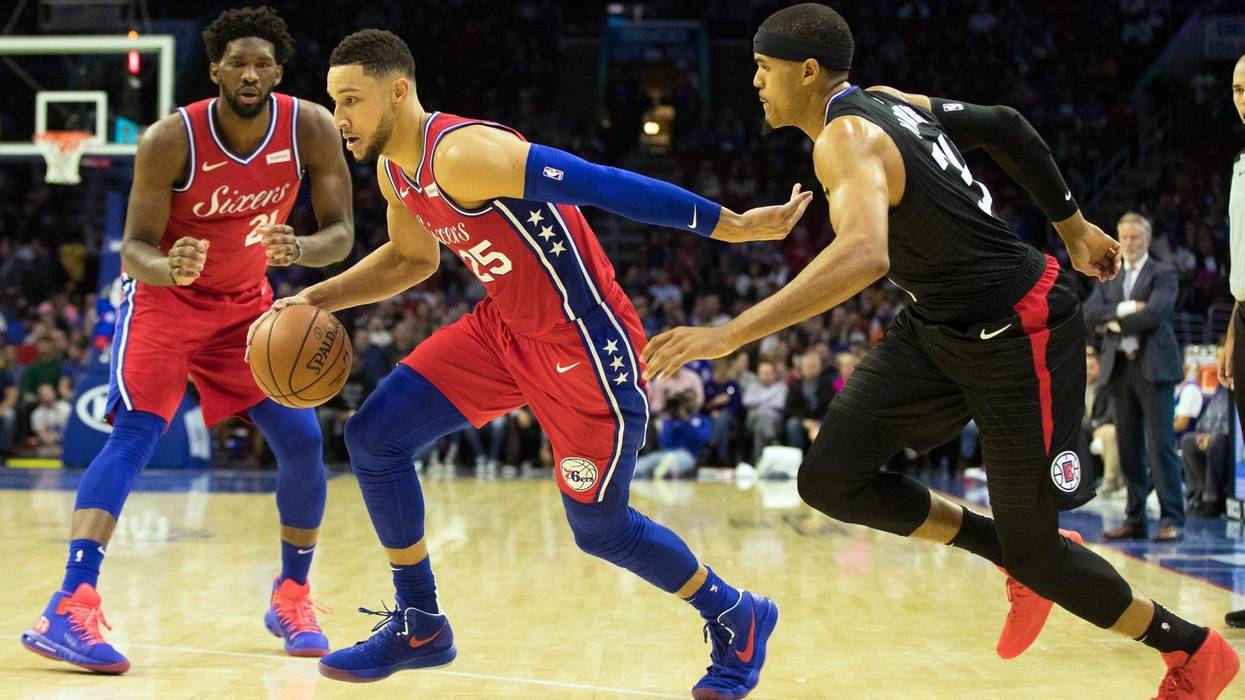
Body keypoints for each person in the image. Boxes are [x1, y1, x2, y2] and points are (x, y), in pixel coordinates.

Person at [642, 4, 1238, 697]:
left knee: (1041, 557)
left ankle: (1192, 650)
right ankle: (1006, 553)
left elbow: (863, 254)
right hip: (938, 325)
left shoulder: (843, 139)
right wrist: (1073, 228)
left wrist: (730, 333)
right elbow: (1005, 125)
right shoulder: (891, 100)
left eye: (762, 67)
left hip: (1021, 329)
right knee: (830, 479)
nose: (754, 81)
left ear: (806, 71)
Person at [256, 29, 810, 698]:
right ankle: (420, 621)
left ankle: (735, 614)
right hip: (503, 332)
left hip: (583, 341)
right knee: (374, 437)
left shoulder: (464, 154)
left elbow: (601, 183)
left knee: (600, 529)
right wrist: (314, 298)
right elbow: (411, 260)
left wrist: (733, 225)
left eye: (351, 100)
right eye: (333, 101)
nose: (338, 117)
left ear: (397, 92)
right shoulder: (394, 171)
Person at [20, 7, 354, 674]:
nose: (250, 73)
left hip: (245, 310)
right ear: (216, 71)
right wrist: (167, 266)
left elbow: (340, 234)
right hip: (166, 305)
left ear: (278, 73)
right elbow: (134, 249)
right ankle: (70, 602)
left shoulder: (311, 128)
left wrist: (301, 247)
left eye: (262, 64)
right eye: (238, 63)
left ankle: (292, 595)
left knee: (301, 440)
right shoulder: (171, 139)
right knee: (135, 436)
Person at [1085, 213, 1185, 541]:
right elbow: (1089, 313)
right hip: (1119, 370)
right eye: (1124, 238)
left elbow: (1155, 314)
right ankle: (1135, 519)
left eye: (1135, 238)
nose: (1129, 243)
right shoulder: (1110, 274)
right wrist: (1128, 310)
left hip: (1154, 368)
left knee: (1160, 446)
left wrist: (1111, 321)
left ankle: (1172, 519)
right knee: (1128, 447)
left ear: (1147, 239)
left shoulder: (1163, 273)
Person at [1215, 51, 1245, 631]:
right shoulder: (1240, 162)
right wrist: (1231, 330)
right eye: (1239, 88)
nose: (1244, 98)